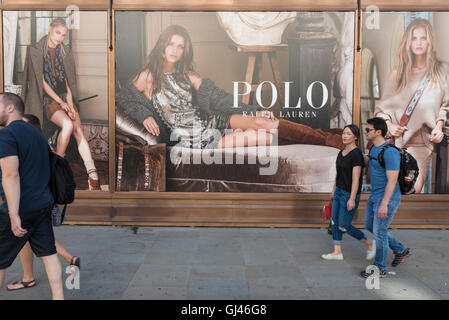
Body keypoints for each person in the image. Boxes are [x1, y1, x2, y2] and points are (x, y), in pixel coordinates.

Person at [116, 24, 345, 150]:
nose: (175, 50)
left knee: (265, 122)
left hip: (211, 121)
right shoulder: (148, 76)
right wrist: (144, 114)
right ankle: (324, 137)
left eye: (180, 46)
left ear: (185, 50)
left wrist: (252, 110)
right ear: (162, 45)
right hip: (196, 138)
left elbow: (220, 99)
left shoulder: (187, 74)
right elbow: (123, 96)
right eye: (171, 44)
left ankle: (329, 138)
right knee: (265, 137)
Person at [21, 18, 101, 190]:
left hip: (64, 97)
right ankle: (57, 166)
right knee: (67, 125)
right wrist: (60, 102)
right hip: (48, 99)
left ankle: (93, 175)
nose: (60, 38)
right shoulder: (35, 50)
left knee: (78, 128)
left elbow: (67, 80)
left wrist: (70, 103)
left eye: (63, 35)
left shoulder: (65, 51)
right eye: (58, 33)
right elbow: (40, 82)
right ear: (50, 29)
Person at [5, 114, 80, 292]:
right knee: (39, 242)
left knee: (31, 239)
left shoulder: (25, 143)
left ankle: (33, 275)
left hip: (29, 200)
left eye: (22, 124)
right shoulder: (42, 144)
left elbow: (13, 174)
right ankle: (32, 277)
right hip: (43, 199)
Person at [0, 93, 64, 299]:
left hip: (20, 206)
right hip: (42, 203)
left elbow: (11, 174)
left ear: (10, 108)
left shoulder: (7, 135)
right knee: (49, 254)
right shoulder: (37, 133)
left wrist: (13, 213)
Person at [374, 18, 449, 193]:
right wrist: (390, 125)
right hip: (395, 142)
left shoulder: (441, 71)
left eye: (423, 38)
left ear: (430, 41)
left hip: (421, 142)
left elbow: (446, 105)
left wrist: (439, 126)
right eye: (414, 38)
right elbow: (381, 109)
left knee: (410, 188)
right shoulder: (398, 73)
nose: (419, 43)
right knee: (391, 191)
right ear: (408, 42)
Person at [361, 117, 411, 278]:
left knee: (380, 232)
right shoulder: (374, 149)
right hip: (375, 196)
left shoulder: (390, 152)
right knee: (370, 225)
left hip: (387, 198)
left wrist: (384, 204)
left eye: (368, 130)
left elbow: (392, 180)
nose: (365, 132)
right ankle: (400, 249)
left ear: (378, 132)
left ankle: (379, 268)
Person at [321, 124, 375, 261]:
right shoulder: (341, 152)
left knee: (344, 225)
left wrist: (352, 199)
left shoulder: (356, 154)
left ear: (355, 137)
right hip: (339, 192)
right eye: (344, 133)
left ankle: (368, 241)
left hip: (348, 194)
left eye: (348, 134)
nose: (344, 136)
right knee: (334, 222)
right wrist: (333, 191)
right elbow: (338, 174)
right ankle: (337, 251)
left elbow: (356, 179)